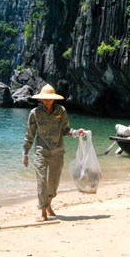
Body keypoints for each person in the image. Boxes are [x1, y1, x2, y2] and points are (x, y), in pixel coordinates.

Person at [22, 84, 86, 222]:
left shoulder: (61, 111)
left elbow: (65, 130)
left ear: (54, 99)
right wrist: (25, 153)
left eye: (50, 98)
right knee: (42, 181)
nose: (47, 101)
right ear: (41, 99)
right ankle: (43, 212)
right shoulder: (35, 113)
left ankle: (49, 205)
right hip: (41, 151)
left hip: (57, 151)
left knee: (53, 182)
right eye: (45, 99)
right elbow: (30, 134)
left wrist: (76, 133)